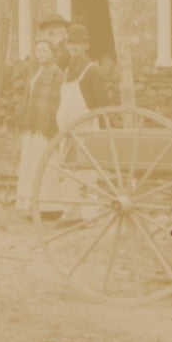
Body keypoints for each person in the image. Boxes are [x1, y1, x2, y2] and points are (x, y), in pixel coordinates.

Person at [14, 39, 63, 212]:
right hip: (31, 122)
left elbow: (56, 99)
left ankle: (46, 204)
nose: (41, 54)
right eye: (39, 51)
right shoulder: (36, 71)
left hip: (45, 124)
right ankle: (28, 201)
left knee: (44, 162)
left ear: (52, 52)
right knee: (29, 162)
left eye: (45, 50)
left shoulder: (57, 72)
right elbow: (29, 96)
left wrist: (50, 122)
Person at [57, 23, 111, 130]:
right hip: (66, 129)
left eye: (78, 43)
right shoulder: (67, 71)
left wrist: (102, 130)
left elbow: (103, 105)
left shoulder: (93, 70)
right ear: (66, 45)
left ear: (86, 45)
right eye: (70, 43)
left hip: (87, 129)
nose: (73, 47)